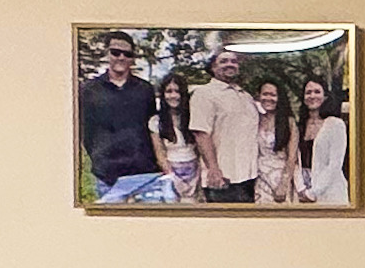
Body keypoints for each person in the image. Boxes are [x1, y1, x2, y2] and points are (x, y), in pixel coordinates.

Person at [76, 33, 172, 203]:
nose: (121, 57)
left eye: (127, 54)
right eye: (116, 52)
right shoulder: (89, 90)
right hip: (107, 176)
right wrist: (101, 158)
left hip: (145, 175)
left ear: (132, 59)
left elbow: (153, 130)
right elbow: (85, 131)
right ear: (107, 54)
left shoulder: (145, 90)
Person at [185, 46, 267, 203]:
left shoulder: (246, 96)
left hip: (249, 176)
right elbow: (201, 134)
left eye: (234, 61)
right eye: (223, 61)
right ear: (213, 67)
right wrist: (214, 169)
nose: (230, 64)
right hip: (223, 177)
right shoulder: (204, 94)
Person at [298, 73, 352, 206]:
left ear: (325, 96)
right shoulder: (300, 126)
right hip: (302, 194)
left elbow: (335, 164)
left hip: (330, 193)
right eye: (308, 92)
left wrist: (314, 192)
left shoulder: (335, 125)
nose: (312, 96)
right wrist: (302, 190)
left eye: (317, 92)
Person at [152, 77, 201, 199]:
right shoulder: (156, 121)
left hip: (195, 172)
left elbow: (200, 150)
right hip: (172, 172)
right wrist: (172, 177)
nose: (173, 96)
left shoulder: (194, 117)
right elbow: (159, 153)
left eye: (177, 91)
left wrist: (198, 176)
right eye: (169, 91)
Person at [252, 78, 296, 204]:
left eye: (273, 95)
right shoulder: (256, 119)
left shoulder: (289, 122)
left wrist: (284, 183)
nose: (268, 98)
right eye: (265, 94)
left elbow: (292, 157)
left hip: (280, 177)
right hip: (259, 178)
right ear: (259, 96)